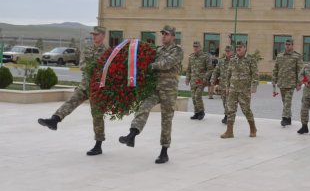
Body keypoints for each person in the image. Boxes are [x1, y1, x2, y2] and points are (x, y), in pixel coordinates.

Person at [37, 26, 109, 155]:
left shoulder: (108, 52)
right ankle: (54, 120)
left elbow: (108, 70)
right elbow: (82, 64)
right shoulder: (87, 49)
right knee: (71, 101)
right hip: (85, 85)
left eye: (96, 35)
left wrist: (96, 68)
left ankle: (98, 145)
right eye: (93, 34)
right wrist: (95, 67)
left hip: (98, 88)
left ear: (103, 36)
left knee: (97, 116)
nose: (94, 37)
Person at [119, 25, 183, 164]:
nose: (163, 36)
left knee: (166, 121)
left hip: (169, 91)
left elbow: (167, 64)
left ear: (173, 36)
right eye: (162, 34)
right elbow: (146, 59)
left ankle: (164, 152)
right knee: (143, 107)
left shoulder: (177, 50)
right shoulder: (158, 50)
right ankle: (132, 134)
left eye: (166, 34)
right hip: (155, 88)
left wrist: (151, 65)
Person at [221, 41, 259, 139]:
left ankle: (253, 128)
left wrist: (254, 86)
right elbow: (229, 74)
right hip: (233, 89)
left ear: (245, 48)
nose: (238, 49)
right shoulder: (233, 59)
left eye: (240, 47)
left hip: (244, 90)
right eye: (237, 47)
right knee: (230, 110)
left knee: (246, 110)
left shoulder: (250, 59)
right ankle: (229, 131)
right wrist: (227, 87)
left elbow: (255, 74)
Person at [272, 39, 303, 127]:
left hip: (291, 83)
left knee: (287, 101)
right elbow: (276, 69)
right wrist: (274, 80)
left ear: (292, 45)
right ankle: (289, 119)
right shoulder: (280, 56)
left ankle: (284, 118)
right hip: (281, 82)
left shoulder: (297, 56)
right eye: (286, 44)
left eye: (289, 44)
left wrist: (299, 83)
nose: (287, 46)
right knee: (284, 101)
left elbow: (300, 71)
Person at [185, 41, 213, 120]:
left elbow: (210, 69)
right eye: (194, 46)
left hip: (201, 81)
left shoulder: (205, 56)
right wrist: (187, 79)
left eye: (197, 46)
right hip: (193, 81)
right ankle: (196, 113)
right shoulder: (191, 57)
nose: (195, 48)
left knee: (197, 96)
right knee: (193, 97)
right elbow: (188, 69)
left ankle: (201, 112)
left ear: (200, 47)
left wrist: (205, 78)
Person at [210, 45, 234, 124]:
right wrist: (213, 79)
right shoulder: (221, 61)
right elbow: (216, 71)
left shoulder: (235, 61)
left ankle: (229, 116)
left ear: (232, 52)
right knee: (224, 101)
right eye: (226, 51)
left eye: (229, 51)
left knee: (230, 102)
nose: (227, 52)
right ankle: (227, 115)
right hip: (223, 85)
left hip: (232, 85)